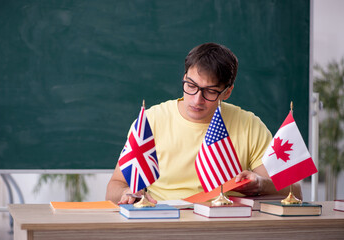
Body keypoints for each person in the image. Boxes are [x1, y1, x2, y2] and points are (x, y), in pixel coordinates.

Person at [106, 42, 302, 204]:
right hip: (165, 221)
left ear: (227, 92)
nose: (197, 100)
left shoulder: (248, 124)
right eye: (190, 86)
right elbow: (114, 186)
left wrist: (261, 185)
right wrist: (127, 193)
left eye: (210, 91)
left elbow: (294, 192)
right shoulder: (151, 120)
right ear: (184, 78)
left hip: (228, 224)